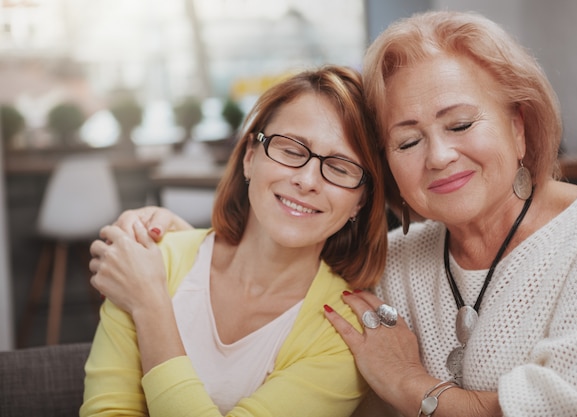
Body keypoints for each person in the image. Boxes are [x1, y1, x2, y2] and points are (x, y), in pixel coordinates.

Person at [106, 11, 577, 417]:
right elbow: (293, 240)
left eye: (461, 124)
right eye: (407, 139)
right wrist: (173, 240)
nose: (439, 155)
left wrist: (410, 385)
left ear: (519, 127)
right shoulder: (391, 262)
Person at [81, 65, 389, 417]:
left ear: (361, 201)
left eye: (340, 167)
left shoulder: (345, 333)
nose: (307, 180)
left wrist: (150, 306)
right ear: (249, 158)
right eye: (291, 150)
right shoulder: (152, 259)